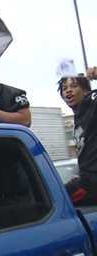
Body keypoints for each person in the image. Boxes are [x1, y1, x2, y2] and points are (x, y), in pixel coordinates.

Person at [59, 69, 97, 205]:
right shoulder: (78, 118)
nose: (68, 91)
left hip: (92, 184)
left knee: (56, 201)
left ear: (86, 91)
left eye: (74, 86)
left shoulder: (92, 104)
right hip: (86, 180)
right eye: (64, 88)